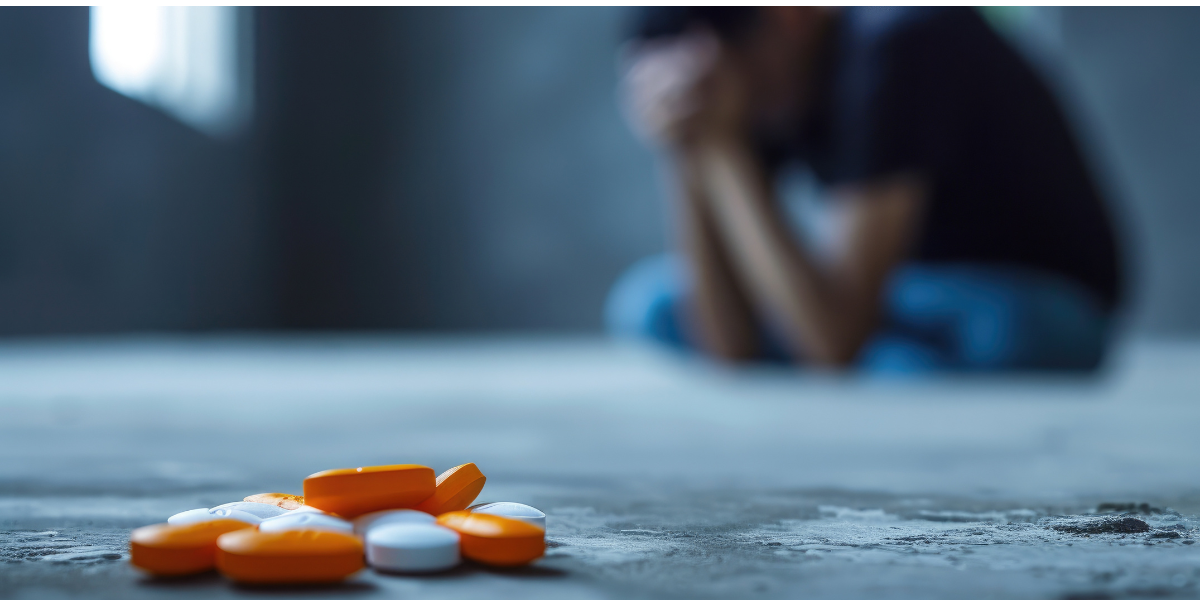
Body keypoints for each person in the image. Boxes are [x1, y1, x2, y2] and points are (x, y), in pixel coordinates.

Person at [606, 7, 1123, 372]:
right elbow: (729, 351)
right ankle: (899, 372)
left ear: (789, 15)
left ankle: (895, 371)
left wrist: (723, 141)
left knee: (1004, 336)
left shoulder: (899, 40)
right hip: (900, 308)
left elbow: (833, 345)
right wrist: (694, 146)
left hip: (1031, 301)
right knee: (652, 304)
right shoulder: (756, 75)